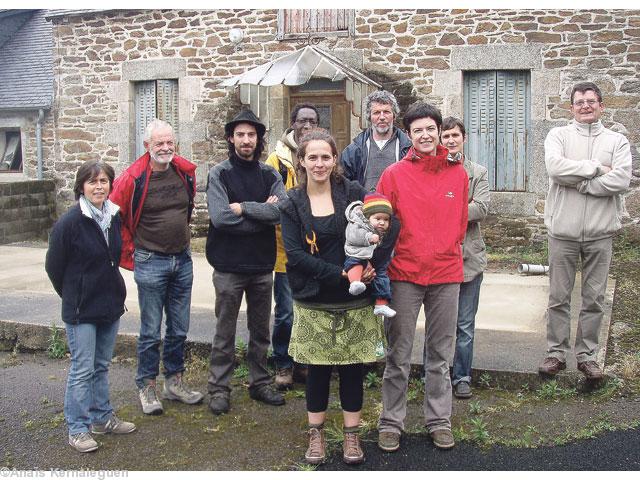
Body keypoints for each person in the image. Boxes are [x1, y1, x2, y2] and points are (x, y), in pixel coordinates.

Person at [280, 129, 398, 465]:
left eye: (326, 157)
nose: (319, 164)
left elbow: (390, 226)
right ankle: (316, 435)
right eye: (312, 157)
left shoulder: (355, 194)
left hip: (354, 298)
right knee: (316, 370)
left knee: (351, 371)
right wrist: (340, 274)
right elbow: (294, 256)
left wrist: (374, 265)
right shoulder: (292, 203)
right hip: (314, 298)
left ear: (335, 160)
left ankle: (351, 437)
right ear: (301, 161)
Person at [376, 102, 468, 452]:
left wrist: (445, 250)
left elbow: (460, 224)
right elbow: (381, 223)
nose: (425, 135)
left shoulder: (457, 175)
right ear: (409, 135)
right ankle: (391, 422)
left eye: (431, 129)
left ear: (439, 131)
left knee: (440, 354)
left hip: (446, 274)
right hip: (404, 275)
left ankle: (439, 420)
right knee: (398, 354)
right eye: (418, 131)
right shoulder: (395, 175)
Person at [538, 81, 632, 380]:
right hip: (562, 232)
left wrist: (578, 180)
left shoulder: (617, 141)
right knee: (558, 297)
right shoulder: (558, 135)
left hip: (600, 233)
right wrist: (596, 167)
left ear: (601, 105)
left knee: (594, 298)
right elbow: (554, 168)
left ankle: (587, 356)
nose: (585, 106)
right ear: (572, 107)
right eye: (579, 102)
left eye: (591, 101)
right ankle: (556, 353)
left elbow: (620, 181)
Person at [110, 119, 203, 416]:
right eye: (159, 143)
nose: (165, 148)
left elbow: (186, 210)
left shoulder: (183, 172)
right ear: (147, 146)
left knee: (179, 329)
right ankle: (146, 386)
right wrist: (131, 255)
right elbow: (114, 218)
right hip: (150, 261)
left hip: (182, 259)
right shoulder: (132, 178)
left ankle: (174, 383)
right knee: (150, 331)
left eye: (169, 142)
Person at [46, 160, 136, 453]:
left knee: (100, 365)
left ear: (111, 185)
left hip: (109, 305)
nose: (99, 186)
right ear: (81, 187)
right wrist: (74, 294)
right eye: (92, 182)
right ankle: (78, 429)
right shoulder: (70, 222)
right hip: (81, 309)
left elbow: (112, 259)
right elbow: (54, 267)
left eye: (104, 181)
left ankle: (101, 418)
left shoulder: (113, 215)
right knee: (82, 369)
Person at [206, 109, 287, 415]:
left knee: (260, 331)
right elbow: (220, 217)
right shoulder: (219, 174)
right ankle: (218, 388)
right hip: (228, 267)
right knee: (224, 331)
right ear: (231, 138)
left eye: (251, 135)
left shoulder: (269, 175)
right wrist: (259, 215)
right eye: (240, 134)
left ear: (258, 139)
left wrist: (243, 208)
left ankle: (260, 383)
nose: (246, 140)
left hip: (261, 266)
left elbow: (280, 211)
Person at [265, 102, 320, 389]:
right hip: (286, 251)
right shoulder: (277, 159)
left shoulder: (321, 156)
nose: (307, 125)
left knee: (309, 310)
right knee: (286, 311)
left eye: (312, 120)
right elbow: (272, 203)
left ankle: (303, 363)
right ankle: (283, 364)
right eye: (302, 121)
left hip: (315, 251)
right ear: (293, 123)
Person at [441, 117, 490, 399]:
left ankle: (461, 376)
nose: (450, 140)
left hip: (469, 258)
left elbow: (480, 208)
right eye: (445, 135)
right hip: (438, 259)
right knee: (438, 322)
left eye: (455, 135)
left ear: (464, 138)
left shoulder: (478, 172)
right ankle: (433, 373)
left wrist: (446, 209)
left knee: (464, 324)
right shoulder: (433, 170)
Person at [341, 90, 412, 191]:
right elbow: (344, 186)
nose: (382, 117)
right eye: (376, 113)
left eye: (386, 112)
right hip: (365, 205)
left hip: (398, 205)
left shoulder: (409, 149)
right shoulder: (353, 151)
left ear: (394, 115)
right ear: (369, 117)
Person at [344, 192, 398, 318]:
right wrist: (368, 237)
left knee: (383, 278)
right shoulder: (356, 224)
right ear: (367, 218)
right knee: (353, 264)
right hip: (357, 253)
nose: (382, 223)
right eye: (377, 218)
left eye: (386, 220)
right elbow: (352, 237)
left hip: (373, 260)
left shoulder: (382, 231)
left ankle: (381, 304)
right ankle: (354, 283)